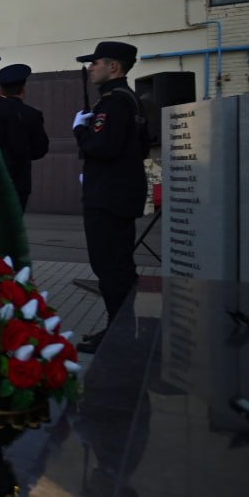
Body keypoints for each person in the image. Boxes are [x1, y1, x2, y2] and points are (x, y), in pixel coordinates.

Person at [72, 41, 149, 354]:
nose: (91, 68)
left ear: (113, 67)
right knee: (117, 265)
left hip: (108, 197)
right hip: (119, 192)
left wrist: (81, 130)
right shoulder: (130, 100)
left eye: (96, 63)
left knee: (109, 267)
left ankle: (121, 333)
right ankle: (121, 327)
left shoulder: (113, 102)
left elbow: (102, 147)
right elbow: (139, 148)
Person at [0, 64, 51, 213]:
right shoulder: (32, 114)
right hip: (19, 180)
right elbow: (40, 149)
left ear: (1, 90)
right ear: (23, 89)